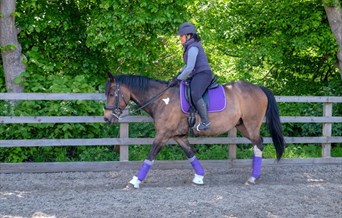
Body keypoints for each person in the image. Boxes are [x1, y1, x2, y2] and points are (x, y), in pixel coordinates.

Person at [170, 22, 213, 131]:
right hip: (197, 74)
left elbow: (189, 67)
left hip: (203, 74)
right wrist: (178, 75)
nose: (180, 38)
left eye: (181, 36)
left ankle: (206, 122)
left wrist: (179, 78)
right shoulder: (190, 47)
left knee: (195, 93)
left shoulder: (193, 47)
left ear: (188, 36)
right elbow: (186, 66)